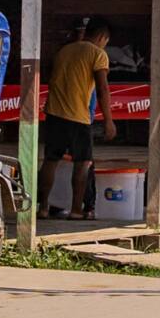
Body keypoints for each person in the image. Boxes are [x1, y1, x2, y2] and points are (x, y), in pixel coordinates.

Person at [41, 18, 117, 219]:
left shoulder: (64, 51)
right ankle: (76, 210)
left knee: (50, 160)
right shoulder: (98, 54)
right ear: (102, 37)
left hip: (54, 113)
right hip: (78, 117)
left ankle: (42, 207)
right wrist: (108, 120)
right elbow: (102, 88)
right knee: (83, 163)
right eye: (106, 41)